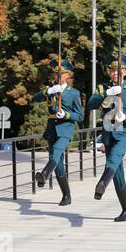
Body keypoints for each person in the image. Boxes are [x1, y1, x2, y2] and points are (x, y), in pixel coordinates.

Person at [87, 52, 126, 222]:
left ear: (125, 72)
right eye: (112, 70)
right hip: (108, 132)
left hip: (124, 131)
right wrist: (107, 93)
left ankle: (102, 183)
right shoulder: (103, 88)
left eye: (119, 70)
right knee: (118, 172)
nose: (115, 73)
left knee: (115, 158)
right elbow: (91, 104)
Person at [32, 59, 84, 206]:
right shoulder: (51, 90)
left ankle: (44, 174)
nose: (59, 76)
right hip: (52, 129)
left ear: (67, 75)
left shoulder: (74, 93)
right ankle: (66, 195)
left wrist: (66, 115)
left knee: (56, 152)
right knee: (58, 163)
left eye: (62, 73)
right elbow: (34, 99)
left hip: (65, 129)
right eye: (57, 73)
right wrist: (48, 91)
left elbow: (80, 116)